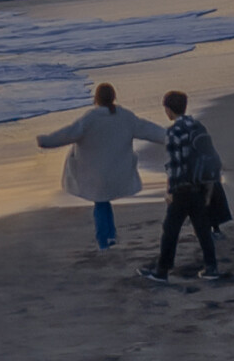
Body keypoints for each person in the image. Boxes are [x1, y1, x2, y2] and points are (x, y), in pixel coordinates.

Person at [37, 83, 166, 250]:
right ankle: (110, 235)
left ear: (96, 99)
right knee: (103, 203)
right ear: (113, 97)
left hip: (95, 173)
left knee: (100, 203)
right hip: (116, 170)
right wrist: (172, 136)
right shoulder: (125, 116)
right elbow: (150, 130)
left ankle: (104, 240)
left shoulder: (90, 118)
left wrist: (45, 141)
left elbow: (68, 134)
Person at [138, 90, 221, 283]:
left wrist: (170, 191)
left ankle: (162, 271)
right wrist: (208, 189)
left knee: (170, 229)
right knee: (202, 229)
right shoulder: (198, 126)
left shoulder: (173, 132)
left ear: (168, 109)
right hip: (200, 186)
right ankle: (212, 267)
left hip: (182, 188)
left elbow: (174, 165)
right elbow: (209, 158)